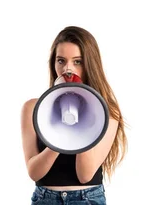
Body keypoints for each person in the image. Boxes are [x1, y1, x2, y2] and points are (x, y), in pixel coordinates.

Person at [20, 26, 128, 205]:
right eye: (61, 61)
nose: (67, 69)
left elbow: (85, 175)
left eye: (77, 61)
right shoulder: (33, 108)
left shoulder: (107, 112)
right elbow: (34, 172)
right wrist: (59, 136)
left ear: (90, 64)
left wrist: (80, 127)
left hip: (87, 198)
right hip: (44, 199)